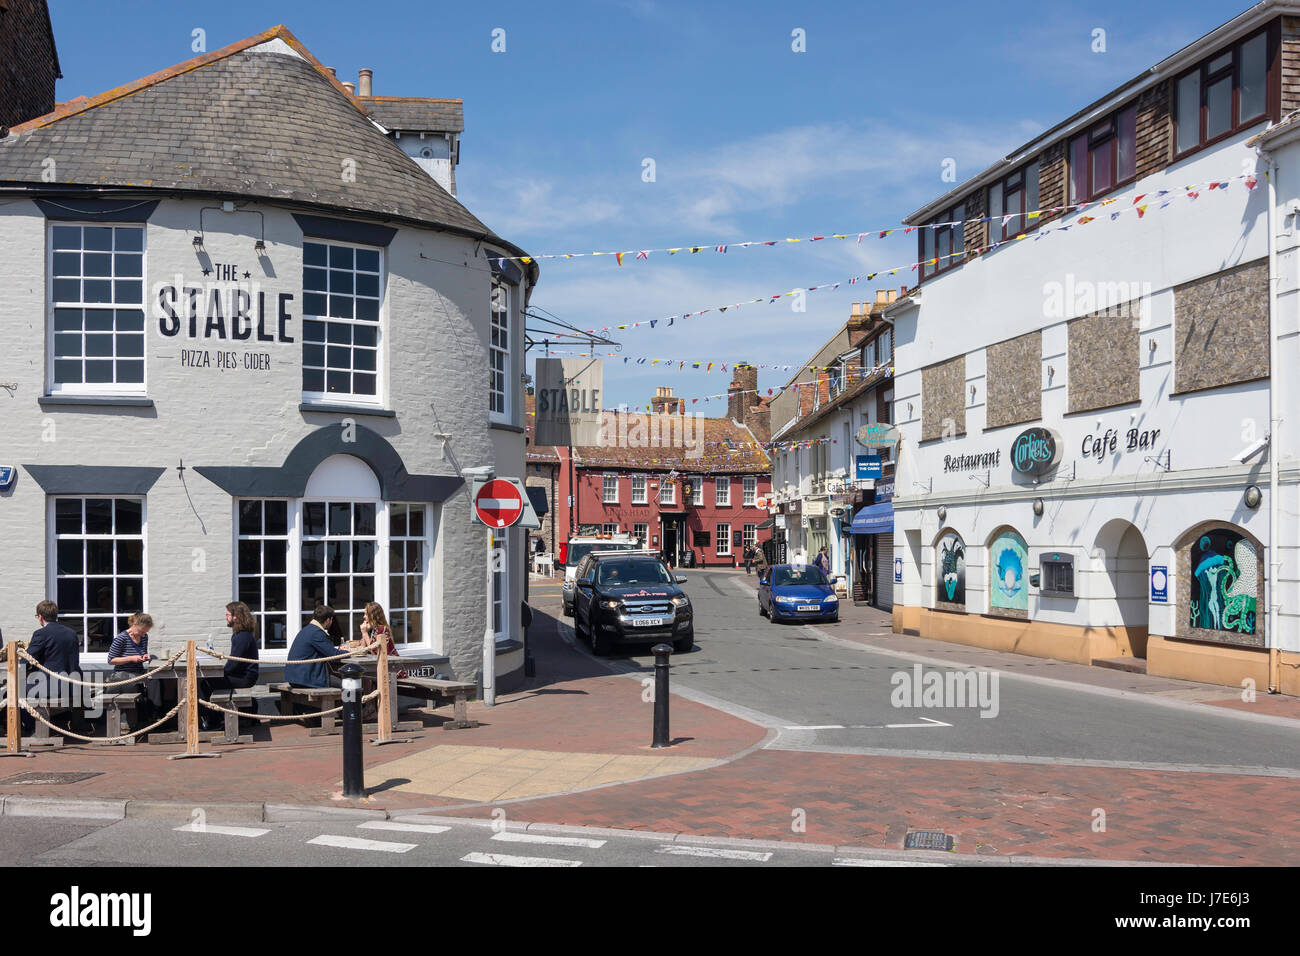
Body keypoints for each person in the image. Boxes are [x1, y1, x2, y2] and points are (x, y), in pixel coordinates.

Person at [198, 602, 261, 732]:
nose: (225, 617)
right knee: (208, 682)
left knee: (206, 683)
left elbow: (234, 664)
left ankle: (214, 721)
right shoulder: (241, 634)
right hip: (242, 675)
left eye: (227, 614)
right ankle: (215, 718)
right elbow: (234, 663)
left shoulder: (242, 636)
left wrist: (220, 673)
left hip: (245, 678)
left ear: (236, 617)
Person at [22, 601, 80, 736]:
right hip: (73, 684)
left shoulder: (41, 634)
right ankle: (54, 724)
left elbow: (25, 661)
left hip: (52, 686)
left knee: (11, 693)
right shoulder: (71, 633)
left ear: (40, 617)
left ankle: (33, 729)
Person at [108, 613, 156, 722]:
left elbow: (142, 652)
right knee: (134, 686)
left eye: (145, 632)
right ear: (134, 625)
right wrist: (131, 658)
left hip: (138, 672)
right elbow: (111, 660)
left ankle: (153, 715)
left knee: (156, 682)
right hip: (123, 674)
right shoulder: (121, 638)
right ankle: (138, 720)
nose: (143, 635)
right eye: (141, 631)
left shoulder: (144, 638)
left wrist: (145, 656)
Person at [284, 605, 340, 689]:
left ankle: (343, 701)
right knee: (349, 685)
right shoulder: (317, 633)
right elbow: (334, 656)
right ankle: (352, 702)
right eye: (332, 619)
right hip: (305, 679)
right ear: (328, 620)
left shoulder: (307, 629)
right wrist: (349, 652)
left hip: (295, 678)